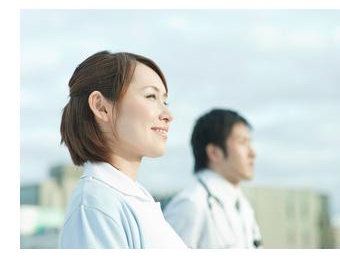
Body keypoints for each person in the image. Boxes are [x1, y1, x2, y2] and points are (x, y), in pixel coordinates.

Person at [59, 50, 186, 248]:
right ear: (101, 107)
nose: (168, 114)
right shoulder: (95, 205)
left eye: (165, 101)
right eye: (151, 96)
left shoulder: (129, 197)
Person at [163, 109, 262, 248]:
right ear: (214, 152)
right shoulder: (190, 204)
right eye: (242, 142)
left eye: (249, 143)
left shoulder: (242, 204)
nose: (252, 152)